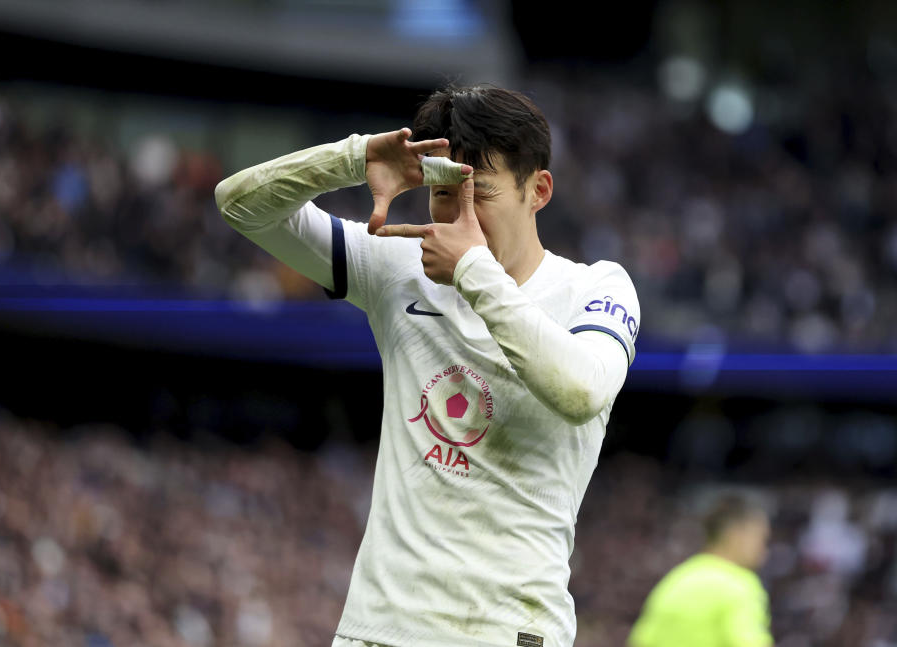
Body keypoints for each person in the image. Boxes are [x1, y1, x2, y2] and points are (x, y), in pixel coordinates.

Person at [215, 85, 640, 647]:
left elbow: (582, 391)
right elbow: (240, 204)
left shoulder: (596, 288)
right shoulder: (398, 267)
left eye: (478, 193)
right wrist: (353, 158)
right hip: (376, 629)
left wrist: (472, 270)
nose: (454, 214)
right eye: (442, 192)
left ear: (538, 190)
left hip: (504, 632)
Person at [627, 494, 774, 647]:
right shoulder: (739, 586)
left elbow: (639, 641)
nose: (765, 551)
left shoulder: (674, 582)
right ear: (736, 535)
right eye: (762, 539)